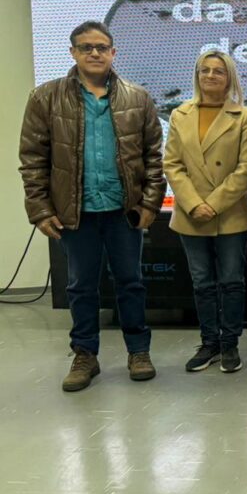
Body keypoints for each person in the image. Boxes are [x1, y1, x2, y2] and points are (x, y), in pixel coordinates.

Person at [19, 21, 165, 391]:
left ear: (113, 53)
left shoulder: (138, 98)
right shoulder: (45, 98)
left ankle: (138, 351)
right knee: (81, 286)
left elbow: (153, 157)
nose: (95, 53)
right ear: (73, 53)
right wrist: (39, 209)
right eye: (86, 47)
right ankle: (85, 355)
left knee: (131, 282)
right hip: (74, 211)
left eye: (101, 47)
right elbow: (33, 158)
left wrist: (150, 202)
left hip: (123, 211)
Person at [163, 51, 247, 373]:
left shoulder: (244, 116)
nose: (211, 76)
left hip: (229, 213)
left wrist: (213, 204)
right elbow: (172, 164)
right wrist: (194, 203)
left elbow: (246, 168)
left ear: (229, 77)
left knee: (232, 281)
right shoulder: (180, 114)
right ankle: (208, 343)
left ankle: (230, 344)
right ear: (197, 75)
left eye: (219, 71)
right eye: (205, 70)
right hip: (190, 213)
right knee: (202, 282)